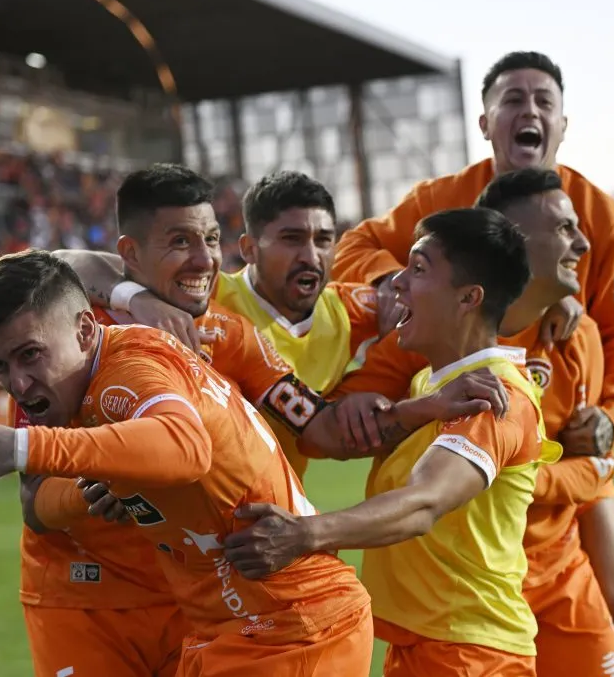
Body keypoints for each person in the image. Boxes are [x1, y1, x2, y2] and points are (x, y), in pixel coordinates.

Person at [331, 50, 614, 670]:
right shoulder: (441, 214)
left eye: (543, 101)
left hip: (548, 507)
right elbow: (357, 249)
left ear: (562, 123)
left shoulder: (595, 229)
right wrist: (405, 285)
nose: (528, 111)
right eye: (512, 99)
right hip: (476, 544)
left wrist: (612, 418)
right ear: (485, 122)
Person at [0, 249, 375, 676]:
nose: (17, 384)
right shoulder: (74, 377)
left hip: (289, 629)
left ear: (84, 332)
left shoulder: (127, 372)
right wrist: (88, 485)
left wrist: (20, 447)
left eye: (30, 355)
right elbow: (37, 503)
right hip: (230, 626)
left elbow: (187, 446)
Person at [224, 208, 561, 676]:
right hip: (430, 648)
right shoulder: (431, 385)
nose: (397, 283)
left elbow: (423, 504)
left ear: (468, 298)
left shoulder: (495, 396)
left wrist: (305, 535)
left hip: (473, 655)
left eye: (419, 269)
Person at [57, 165, 505, 478]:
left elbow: (454, 296)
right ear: (249, 249)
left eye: (323, 240)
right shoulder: (201, 295)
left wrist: (557, 302)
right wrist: (135, 296)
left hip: (270, 506)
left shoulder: (355, 309)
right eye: (292, 239)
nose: (311, 255)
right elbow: (64, 263)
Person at [478, 169, 614, 677]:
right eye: (566, 229)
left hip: (560, 568)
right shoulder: (446, 336)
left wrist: (607, 432)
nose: (583, 243)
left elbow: (590, 461)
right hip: (477, 588)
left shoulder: (575, 332)